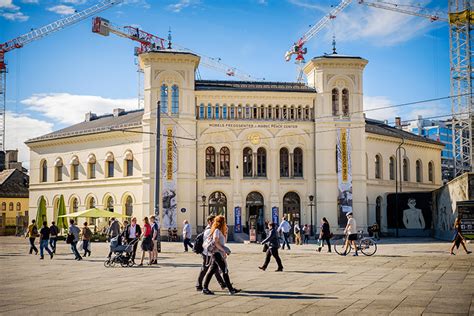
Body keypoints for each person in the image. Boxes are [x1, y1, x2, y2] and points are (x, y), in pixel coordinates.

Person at [202, 215, 241, 295]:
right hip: (217, 254)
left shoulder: (220, 230)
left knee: (212, 270)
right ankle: (231, 289)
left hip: (217, 253)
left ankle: (205, 288)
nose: (225, 223)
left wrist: (225, 232)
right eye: (224, 221)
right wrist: (224, 250)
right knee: (224, 270)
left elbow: (223, 241)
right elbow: (216, 243)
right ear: (221, 222)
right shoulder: (216, 231)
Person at [196, 215, 226, 291]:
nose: (215, 222)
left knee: (214, 269)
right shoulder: (209, 230)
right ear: (209, 221)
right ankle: (199, 285)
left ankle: (222, 284)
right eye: (213, 221)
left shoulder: (211, 229)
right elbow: (214, 241)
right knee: (205, 269)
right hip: (208, 253)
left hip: (211, 252)